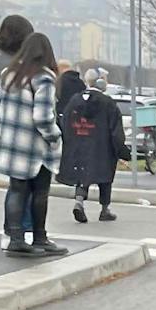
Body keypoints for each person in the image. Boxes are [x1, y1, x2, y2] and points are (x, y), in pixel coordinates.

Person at [0, 33, 68, 258]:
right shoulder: (44, 78)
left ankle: (15, 239)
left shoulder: (8, 75)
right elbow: (43, 117)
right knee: (40, 192)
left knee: (16, 189)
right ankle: (40, 237)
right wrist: (55, 137)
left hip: (11, 145)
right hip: (35, 148)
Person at [60, 70, 124, 223]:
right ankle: (104, 209)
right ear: (100, 82)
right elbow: (116, 131)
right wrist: (121, 150)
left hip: (78, 145)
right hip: (102, 148)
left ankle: (79, 201)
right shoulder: (108, 103)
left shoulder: (74, 100)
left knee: (82, 175)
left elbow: (65, 123)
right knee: (105, 177)